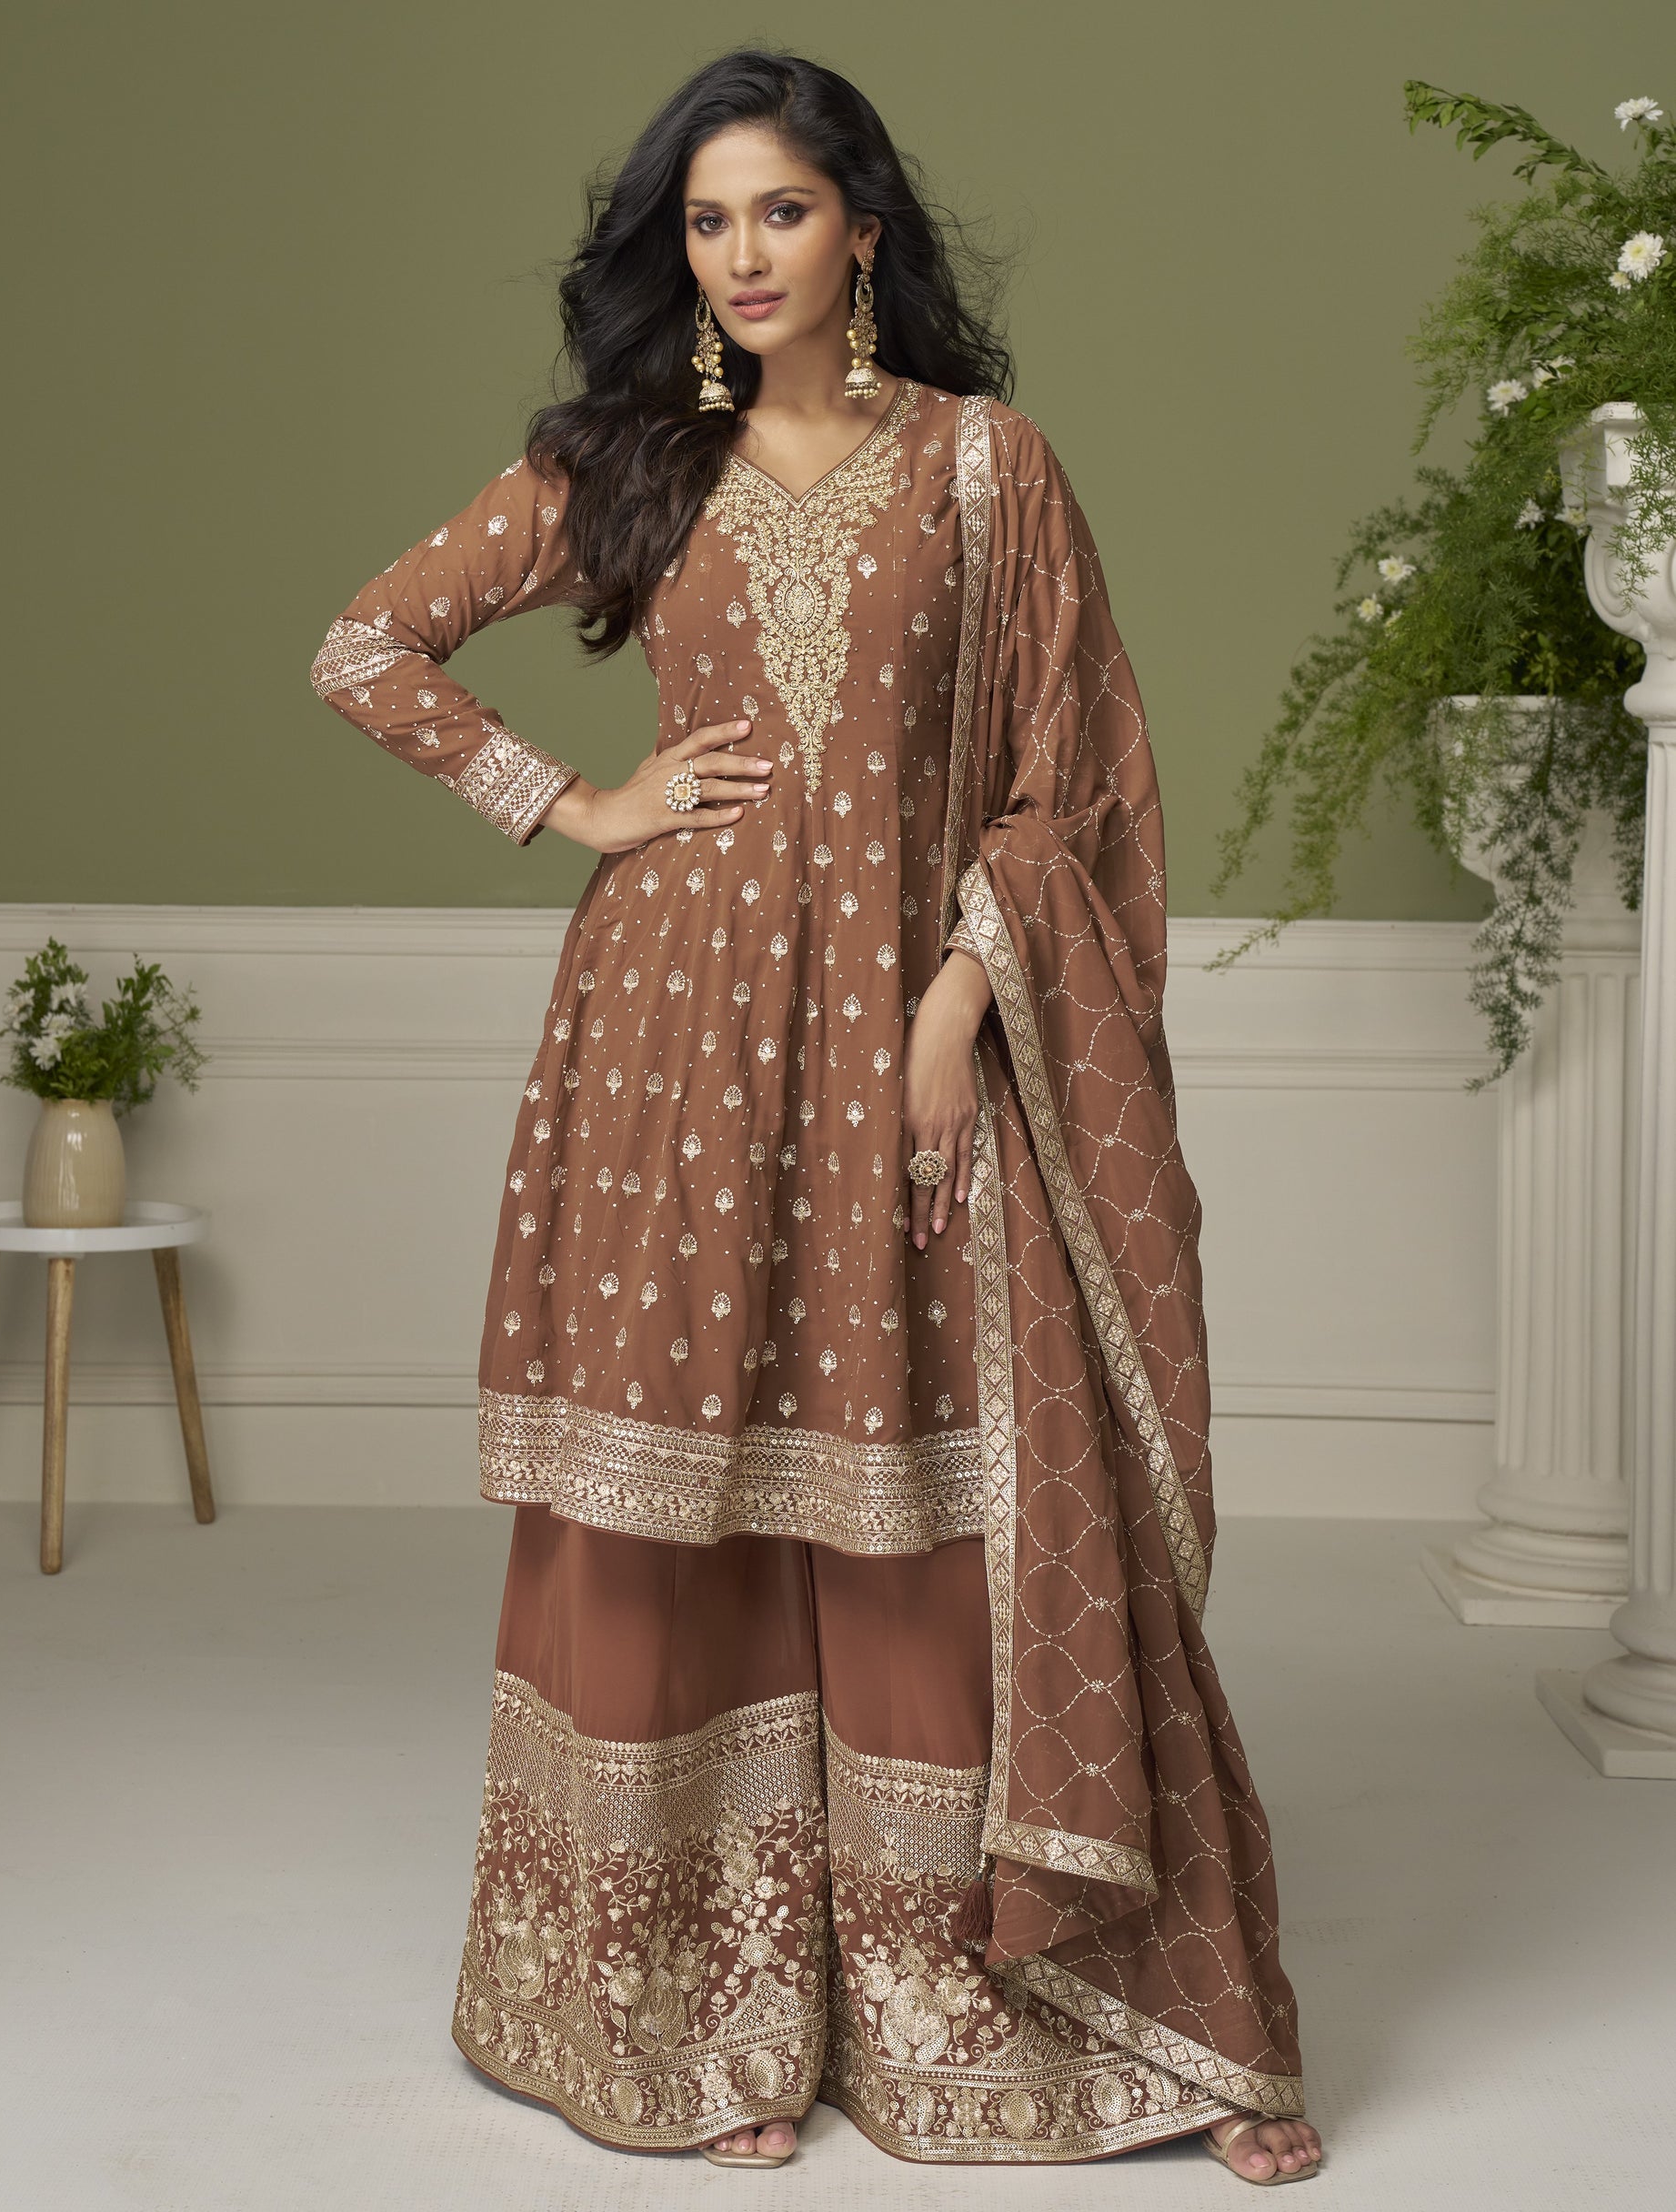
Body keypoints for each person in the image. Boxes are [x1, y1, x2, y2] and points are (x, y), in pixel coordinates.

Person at [310, 46, 1323, 2184]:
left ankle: (984, 1986)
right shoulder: (624, 462)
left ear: (863, 223)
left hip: (900, 1038)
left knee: (922, 1504)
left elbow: (1079, 781)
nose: (741, 253)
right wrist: (578, 801)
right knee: (677, 1501)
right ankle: (699, 2008)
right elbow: (369, 645)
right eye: (703, 218)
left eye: (778, 209)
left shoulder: (987, 472)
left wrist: (966, 990)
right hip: (669, 1046)